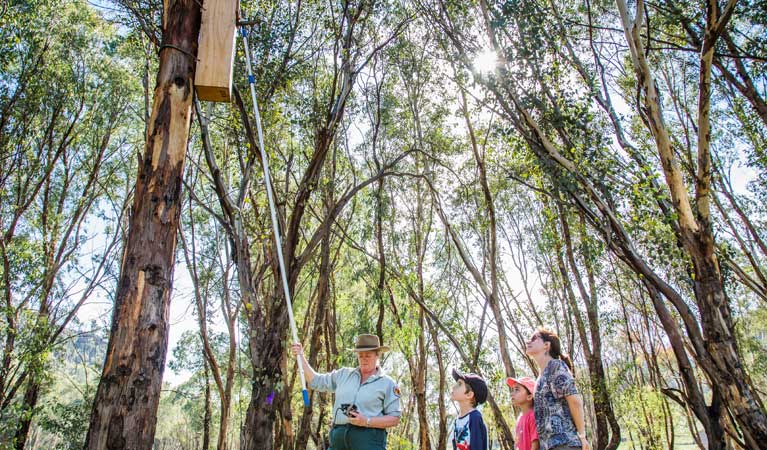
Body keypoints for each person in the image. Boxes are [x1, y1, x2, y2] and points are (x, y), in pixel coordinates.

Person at [291, 334, 401, 450]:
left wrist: (366, 421)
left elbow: (395, 418)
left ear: (377, 356)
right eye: (360, 355)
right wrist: (301, 357)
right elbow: (316, 381)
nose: (364, 359)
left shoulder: (388, 383)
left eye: (368, 355)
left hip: (369, 442)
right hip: (338, 442)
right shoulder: (343, 374)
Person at [526, 328, 590, 450]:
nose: (528, 342)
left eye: (534, 338)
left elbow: (575, 401)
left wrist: (582, 436)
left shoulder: (556, 366)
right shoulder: (540, 378)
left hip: (565, 444)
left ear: (546, 345)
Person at [450, 368, 488, 450]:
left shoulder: (475, 418)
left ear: (469, 395)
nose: (454, 387)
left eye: (459, 384)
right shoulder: (457, 419)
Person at [506, 376, 539, 450]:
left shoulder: (533, 416)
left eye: (517, 390)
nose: (512, 394)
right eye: (512, 390)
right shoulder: (519, 418)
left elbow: (535, 444)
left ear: (529, 396)